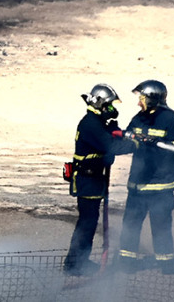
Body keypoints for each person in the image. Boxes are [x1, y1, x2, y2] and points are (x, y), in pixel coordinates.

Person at [117, 79, 174, 275]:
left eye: (142, 98)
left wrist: (159, 144)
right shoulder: (139, 118)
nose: (139, 102)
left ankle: (166, 263)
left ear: (152, 98)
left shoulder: (171, 120)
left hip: (161, 186)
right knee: (130, 223)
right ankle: (126, 261)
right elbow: (127, 138)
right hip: (138, 184)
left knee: (161, 226)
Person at [64, 83, 134, 275]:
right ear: (101, 104)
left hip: (93, 180)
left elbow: (107, 142)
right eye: (109, 105)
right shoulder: (90, 124)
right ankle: (75, 264)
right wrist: (135, 144)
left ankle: (76, 262)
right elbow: (110, 147)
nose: (112, 109)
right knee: (87, 223)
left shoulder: (96, 123)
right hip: (88, 181)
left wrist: (114, 129)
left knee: (89, 221)